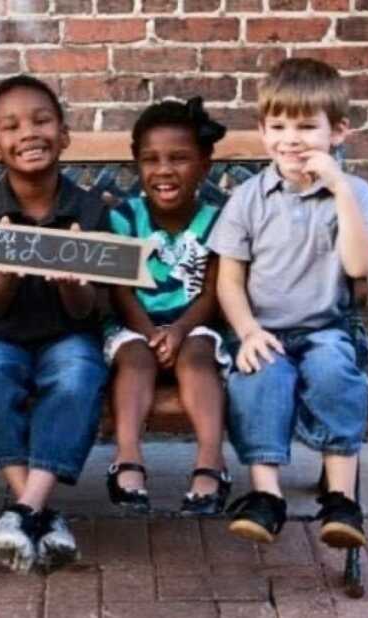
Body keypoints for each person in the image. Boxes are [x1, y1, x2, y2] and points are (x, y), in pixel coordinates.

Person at [208, 58, 368, 548]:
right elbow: (229, 280)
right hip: (264, 328)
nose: (292, 139)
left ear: (338, 132)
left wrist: (340, 189)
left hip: (328, 327)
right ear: (263, 131)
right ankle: (267, 498)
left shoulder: (355, 194)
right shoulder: (248, 197)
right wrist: (245, 331)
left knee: (335, 374)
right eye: (279, 126)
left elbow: (358, 266)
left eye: (307, 127)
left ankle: (341, 501)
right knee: (259, 379)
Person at [0, 75, 110, 573]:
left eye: (43, 121)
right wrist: (4, 272)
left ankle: (20, 511)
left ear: (64, 134)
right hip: (1, 338)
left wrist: (72, 282)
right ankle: (39, 512)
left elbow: (89, 310)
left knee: (79, 376)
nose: (29, 133)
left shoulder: (88, 209)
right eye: (12, 126)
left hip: (68, 337)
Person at [104, 97, 233, 517]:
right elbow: (121, 290)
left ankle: (210, 460)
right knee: (134, 357)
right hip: (134, 325)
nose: (164, 170)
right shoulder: (124, 218)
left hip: (193, 323)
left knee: (198, 357)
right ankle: (127, 457)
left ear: (204, 165)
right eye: (151, 159)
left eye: (179, 158)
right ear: (137, 166)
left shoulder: (219, 221)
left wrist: (177, 331)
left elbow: (214, 293)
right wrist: (147, 331)